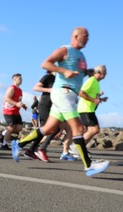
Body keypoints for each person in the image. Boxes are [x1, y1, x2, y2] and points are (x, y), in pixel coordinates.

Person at [12, 27, 110, 176]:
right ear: (76, 36)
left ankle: (18, 145)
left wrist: (87, 72)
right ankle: (88, 165)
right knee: (78, 128)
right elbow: (45, 64)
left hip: (70, 95)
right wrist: (64, 71)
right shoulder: (65, 50)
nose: (88, 38)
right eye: (86, 36)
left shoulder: (82, 56)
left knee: (49, 129)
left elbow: (79, 72)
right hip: (63, 92)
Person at [23, 71, 76, 162]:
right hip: (45, 105)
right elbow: (36, 87)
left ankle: (30, 149)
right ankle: (36, 148)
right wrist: (50, 90)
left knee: (47, 130)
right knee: (52, 129)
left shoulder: (60, 80)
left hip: (55, 106)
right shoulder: (48, 77)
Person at [78, 65, 108, 145]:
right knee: (94, 129)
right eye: (104, 72)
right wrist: (94, 100)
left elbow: (93, 97)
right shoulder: (91, 80)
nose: (106, 74)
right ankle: (76, 147)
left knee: (93, 130)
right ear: (98, 72)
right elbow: (81, 93)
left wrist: (101, 99)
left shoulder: (96, 82)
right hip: (85, 109)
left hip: (90, 109)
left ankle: (82, 149)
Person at [1, 73, 27, 149]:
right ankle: (4, 144)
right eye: (20, 78)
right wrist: (16, 103)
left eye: (21, 79)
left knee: (19, 128)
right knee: (11, 128)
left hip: (16, 111)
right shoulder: (11, 88)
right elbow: (6, 98)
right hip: (8, 111)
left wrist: (23, 105)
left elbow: (18, 101)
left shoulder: (20, 90)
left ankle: (3, 133)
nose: (21, 80)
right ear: (14, 79)